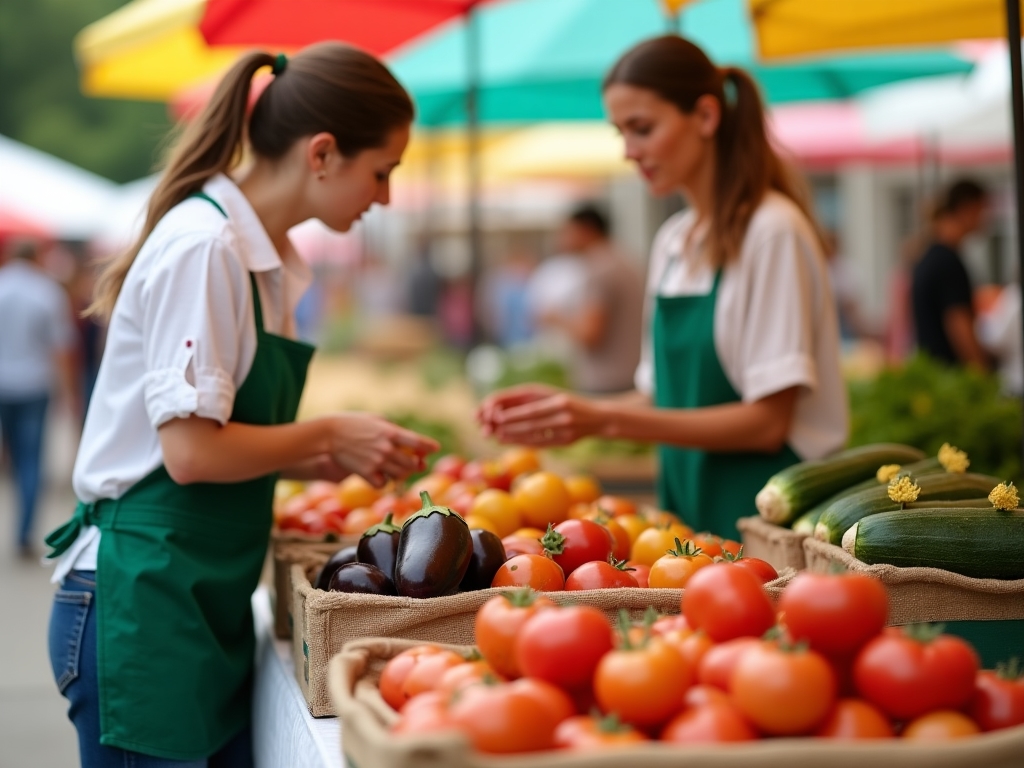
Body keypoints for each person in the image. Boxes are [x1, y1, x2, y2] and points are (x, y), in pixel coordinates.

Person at [44, 45, 438, 767]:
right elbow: (192, 454)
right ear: (323, 153)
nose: (382, 195)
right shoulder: (207, 247)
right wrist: (326, 434)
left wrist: (338, 457)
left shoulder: (265, 260)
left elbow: (233, 442)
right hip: (145, 599)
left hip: (197, 596)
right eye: (382, 171)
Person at [479, 36, 848, 538]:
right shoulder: (674, 241)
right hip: (687, 509)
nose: (630, 152)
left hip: (770, 516)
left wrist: (603, 419)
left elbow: (767, 424)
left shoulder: (771, 230)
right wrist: (569, 409)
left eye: (643, 129)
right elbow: (662, 397)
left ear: (705, 116)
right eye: (621, 134)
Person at [0, 238, 78, 557]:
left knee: (13, 458)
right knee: (31, 460)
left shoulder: (2, 286)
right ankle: (23, 534)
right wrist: (69, 392)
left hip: (3, 383)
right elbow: (61, 348)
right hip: (34, 385)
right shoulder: (47, 291)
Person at [534, 204, 645, 393]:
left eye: (567, 231)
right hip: (631, 377)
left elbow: (591, 334)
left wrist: (555, 318)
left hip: (607, 384)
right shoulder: (625, 260)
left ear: (585, 230)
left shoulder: (599, 270)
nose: (562, 239)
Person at [911, 179, 991, 369]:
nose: (986, 218)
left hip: (935, 373)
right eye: (982, 210)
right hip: (950, 375)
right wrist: (982, 372)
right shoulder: (947, 262)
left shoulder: (932, 256)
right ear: (967, 208)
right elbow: (958, 325)